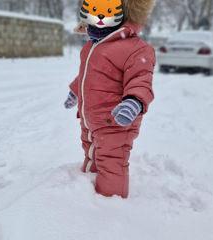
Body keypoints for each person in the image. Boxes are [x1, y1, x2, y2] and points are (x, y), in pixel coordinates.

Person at [64, 0, 156, 198]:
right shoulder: (92, 45)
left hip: (117, 120)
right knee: (91, 153)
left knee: (112, 162)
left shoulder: (136, 49)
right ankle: (87, 189)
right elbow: (88, 75)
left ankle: (110, 207)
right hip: (91, 119)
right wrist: (75, 91)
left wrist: (134, 101)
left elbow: (141, 80)